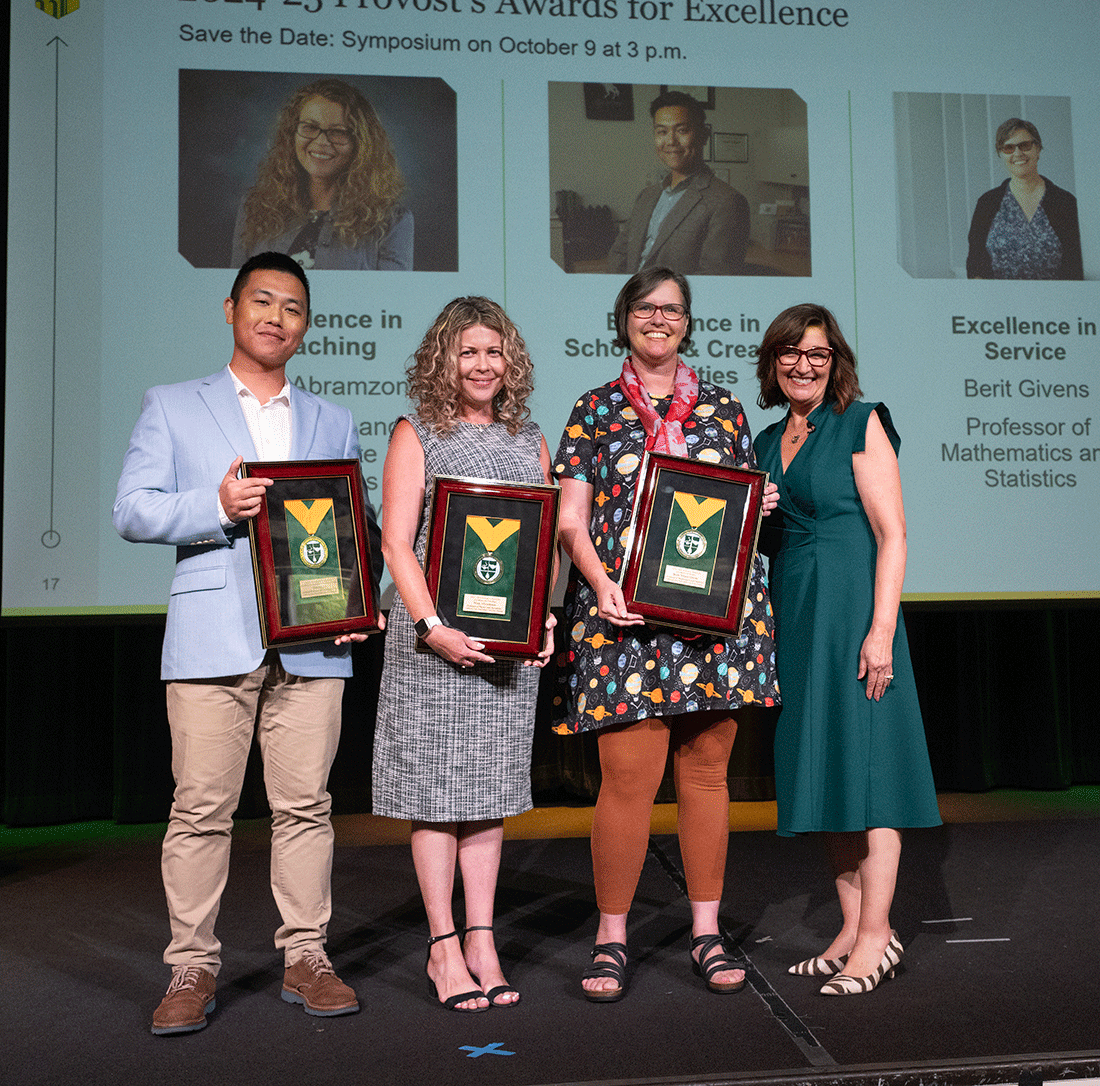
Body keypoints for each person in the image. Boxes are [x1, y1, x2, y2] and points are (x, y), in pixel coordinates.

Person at [114, 252, 383, 1034]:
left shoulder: (333, 419)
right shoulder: (172, 404)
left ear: (305, 326)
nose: (276, 317)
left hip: (314, 643)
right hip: (211, 640)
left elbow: (349, 528)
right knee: (201, 810)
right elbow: (132, 510)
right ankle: (190, 967)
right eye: (261, 301)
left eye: (292, 307)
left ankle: (308, 955)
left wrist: (363, 597)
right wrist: (216, 503)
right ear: (229, 310)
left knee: (306, 807)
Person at [553, 267, 779, 1001]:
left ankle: (706, 931)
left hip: (714, 623)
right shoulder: (592, 410)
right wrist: (599, 582)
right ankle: (611, 938)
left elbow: (736, 514)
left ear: (687, 322)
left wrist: (761, 500)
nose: (660, 319)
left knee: (708, 777)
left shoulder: (724, 408)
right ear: (623, 319)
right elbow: (569, 523)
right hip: (623, 618)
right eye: (646, 308)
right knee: (626, 782)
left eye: (673, 310)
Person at [371, 297, 555, 1012]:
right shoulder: (417, 432)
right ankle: (443, 947)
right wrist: (430, 626)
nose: (483, 364)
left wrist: (540, 621)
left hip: (505, 648)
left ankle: (483, 939)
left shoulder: (529, 438)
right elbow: (395, 542)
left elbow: (538, 548)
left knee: (490, 795)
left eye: (494, 351)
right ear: (444, 361)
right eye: (467, 352)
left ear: (511, 361)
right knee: (436, 796)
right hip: (433, 645)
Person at [752, 303, 941, 996]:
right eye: (791, 354)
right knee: (828, 770)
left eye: (818, 355)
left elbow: (893, 534)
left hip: (855, 610)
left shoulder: (862, 423)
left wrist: (881, 631)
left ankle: (875, 938)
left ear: (836, 363)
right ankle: (850, 925)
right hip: (797, 614)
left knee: (871, 773)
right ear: (773, 361)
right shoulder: (769, 441)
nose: (804, 365)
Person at [232, 78, 413, 271]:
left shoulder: (392, 222)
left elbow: (391, 299)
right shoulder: (255, 207)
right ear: (292, 133)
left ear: (360, 144)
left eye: (337, 132)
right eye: (310, 127)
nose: (321, 141)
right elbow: (238, 290)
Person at [606, 91, 749, 276]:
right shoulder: (646, 195)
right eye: (662, 132)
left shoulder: (728, 202)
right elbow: (619, 253)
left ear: (704, 135)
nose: (671, 141)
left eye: (682, 130)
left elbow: (715, 277)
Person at [966, 118, 1082, 280]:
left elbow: (1075, 265)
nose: (1017, 153)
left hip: (1053, 302)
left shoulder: (1065, 203)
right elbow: (975, 263)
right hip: (999, 302)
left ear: (1038, 149)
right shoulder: (987, 203)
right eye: (1008, 148)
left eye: (1025, 145)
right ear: (1000, 154)